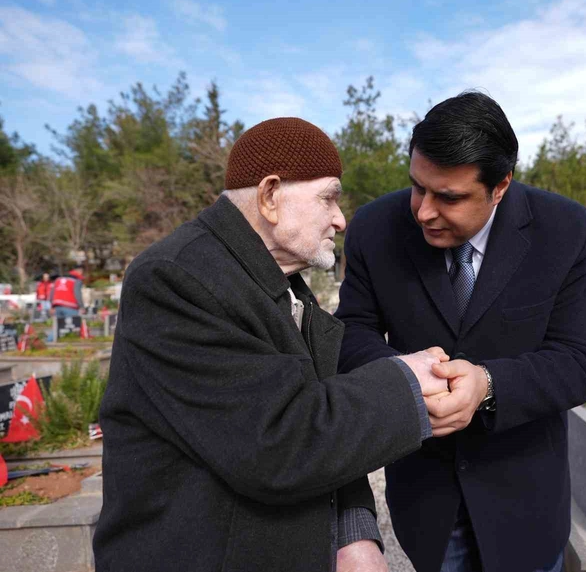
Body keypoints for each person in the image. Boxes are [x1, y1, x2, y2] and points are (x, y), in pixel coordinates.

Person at [93, 117, 452, 572]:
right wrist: (405, 381)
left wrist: (354, 534)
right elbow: (278, 444)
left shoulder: (276, 285)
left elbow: (323, 420)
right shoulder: (175, 279)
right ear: (269, 197)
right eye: (328, 197)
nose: (340, 219)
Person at [335, 91, 586, 572]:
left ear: (500, 186)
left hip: (526, 498)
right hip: (426, 496)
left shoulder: (566, 230)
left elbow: (580, 362)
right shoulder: (374, 229)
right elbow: (351, 331)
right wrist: (404, 377)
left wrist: (488, 384)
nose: (423, 211)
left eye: (449, 197)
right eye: (417, 187)